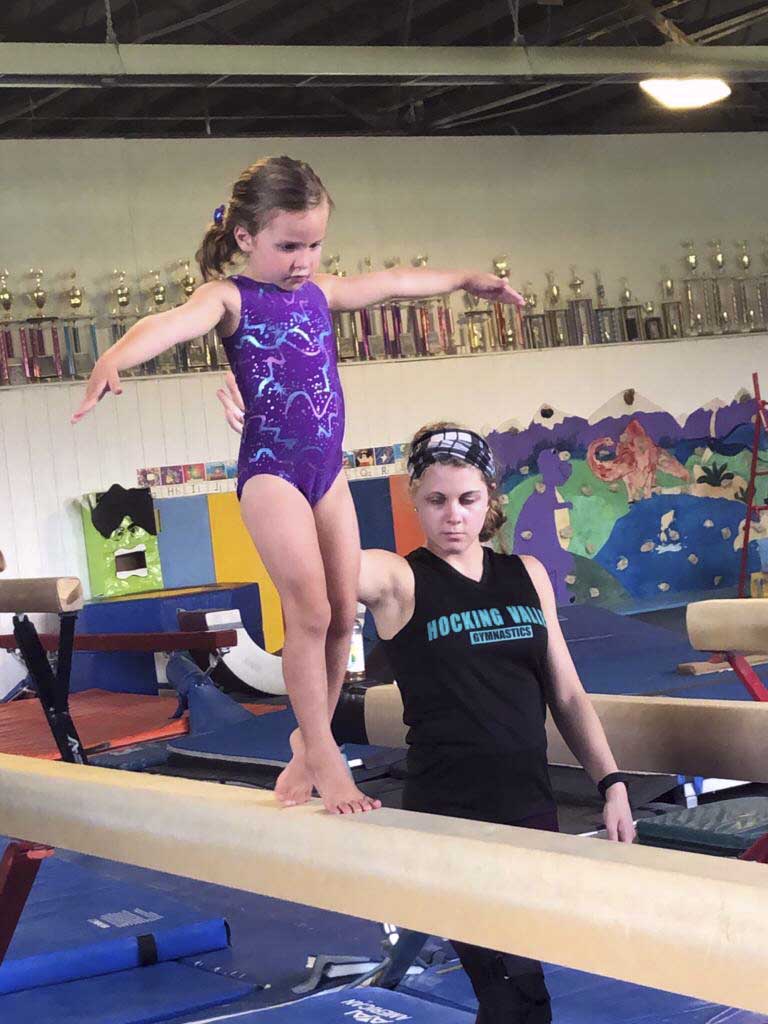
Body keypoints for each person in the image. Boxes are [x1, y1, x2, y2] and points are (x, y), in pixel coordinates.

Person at [71, 154, 524, 816]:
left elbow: (394, 281)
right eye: (289, 245)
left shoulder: (319, 291)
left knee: (345, 613)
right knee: (309, 612)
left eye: (314, 244)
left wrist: (466, 279)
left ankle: (306, 749)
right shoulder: (228, 298)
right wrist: (115, 356)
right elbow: (168, 325)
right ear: (246, 237)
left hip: (327, 471)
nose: (304, 259)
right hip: (272, 473)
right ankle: (329, 760)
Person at [219, 381, 635, 1023]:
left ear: (490, 499)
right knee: (517, 997)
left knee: (523, 989)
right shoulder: (397, 578)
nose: (453, 515)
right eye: (436, 500)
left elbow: (568, 693)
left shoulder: (528, 575)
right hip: (448, 816)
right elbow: (315, 564)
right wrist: (270, 453)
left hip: (531, 811)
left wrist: (610, 782)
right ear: (414, 499)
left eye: (468, 499)